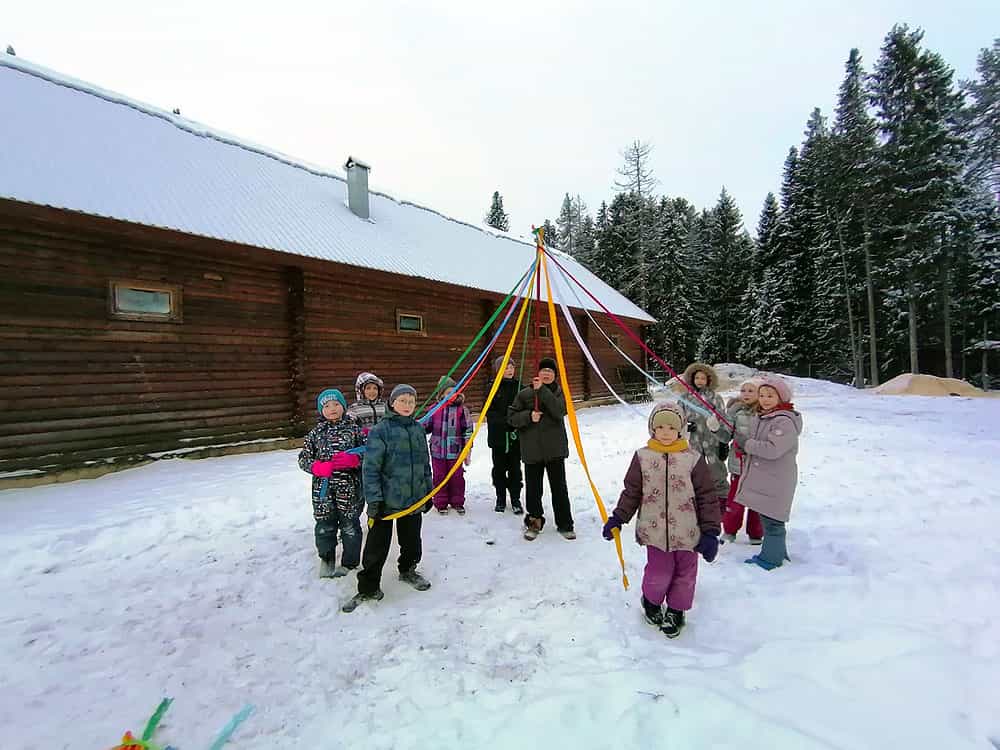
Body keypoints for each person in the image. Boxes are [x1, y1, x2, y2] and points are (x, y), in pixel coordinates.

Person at [602, 402, 721, 638]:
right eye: (660, 427)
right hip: (655, 531)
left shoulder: (693, 459)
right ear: (652, 429)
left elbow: (707, 496)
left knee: (685, 574)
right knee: (659, 571)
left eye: (671, 427)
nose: (665, 432)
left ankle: (676, 610)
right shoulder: (643, 457)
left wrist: (710, 531)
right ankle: (652, 601)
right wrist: (618, 518)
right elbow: (632, 491)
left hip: (689, 531)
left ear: (680, 430)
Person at [342, 384, 433, 612]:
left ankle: (408, 569)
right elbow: (370, 468)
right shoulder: (381, 430)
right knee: (377, 545)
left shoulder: (418, 429)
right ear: (392, 403)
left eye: (411, 401)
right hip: (386, 500)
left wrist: (427, 492)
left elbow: (425, 464)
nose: (407, 405)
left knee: (412, 539)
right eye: (402, 401)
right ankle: (368, 586)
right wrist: (375, 500)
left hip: (412, 497)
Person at [733, 374, 803, 571]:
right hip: (767, 479)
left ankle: (771, 559)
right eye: (762, 395)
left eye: (770, 396)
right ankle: (777, 552)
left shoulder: (783, 421)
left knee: (773, 523)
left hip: (776, 481)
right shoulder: (765, 416)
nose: (764, 399)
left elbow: (773, 449)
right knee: (769, 519)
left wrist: (747, 444)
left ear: (781, 398)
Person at [297, 388, 364, 578]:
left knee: (350, 526)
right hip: (323, 491)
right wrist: (316, 467)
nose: (332, 409)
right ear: (321, 410)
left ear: (343, 406)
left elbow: (370, 452)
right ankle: (326, 558)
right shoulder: (315, 434)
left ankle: (350, 562)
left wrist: (356, 460)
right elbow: (303, 459)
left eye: (336, 404)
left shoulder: (354, 430)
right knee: (325, 526)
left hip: (349, 489)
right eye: (327, 406)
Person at [508, 357, 575, 540]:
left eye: (550, 371)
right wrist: (529, 416)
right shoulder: (525, 394)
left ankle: (565, 523)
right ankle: (534, 522)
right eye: (543, 370)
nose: (546, 374)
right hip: (532, 450)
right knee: (533, 490)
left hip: (555, 450)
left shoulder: (560, 393)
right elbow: (512, 417)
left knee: (559, 488)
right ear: (538, 373)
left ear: (555, 375)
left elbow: (560, 410)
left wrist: (543, 391)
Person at [678, 362, 731, 515]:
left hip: (712, 440)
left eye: (703, 378)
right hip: (693, 441)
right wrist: (686, 427)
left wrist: (722, 440)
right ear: (692, 379)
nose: (700, 381)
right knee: (696, 470)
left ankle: (722, 504)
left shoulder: (715, 398)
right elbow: (678, 417)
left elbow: (722, 418)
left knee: (717, 471)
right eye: (697, 378)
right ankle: (697, 504)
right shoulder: (684, 398)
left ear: (709, 380)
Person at [721, 379, 764, 544]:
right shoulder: (734, 412)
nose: (746, 394)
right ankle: (730, 530)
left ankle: (756, 533)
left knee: (757, 502)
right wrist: (716, 428)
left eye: (751, 391)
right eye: (743, 390)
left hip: (759, 466)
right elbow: (725, 436)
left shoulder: (765, 412)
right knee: (735, 501)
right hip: (738, 465)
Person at [427, 376, 473, 515]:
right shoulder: (434, 409)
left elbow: (468, 430)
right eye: (447, 393)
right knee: (439, 476)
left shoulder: (462, 410)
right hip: (437, 450)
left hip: (455, 450)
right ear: (441, 394)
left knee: (456, 477)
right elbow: (427, 426)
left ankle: (457, 501)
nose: (451, 395)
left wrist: (467, 448)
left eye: (453, 392)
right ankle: (440, 502)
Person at [486, 356, 524, 514]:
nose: (509, 370)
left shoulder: (520, 387)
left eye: (511, 367)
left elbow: (523, 408)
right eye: (505, 368)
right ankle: (500, 498)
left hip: (515, 436)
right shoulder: (492, 387)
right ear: (498, 370)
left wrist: (515, 421)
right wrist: (504, 421)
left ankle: (515, 499)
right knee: (499, 468)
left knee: (515, 469)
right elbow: (490, 411)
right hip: (498, 437)